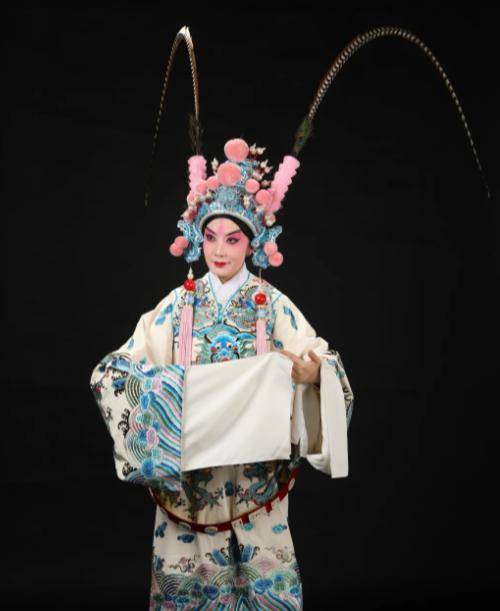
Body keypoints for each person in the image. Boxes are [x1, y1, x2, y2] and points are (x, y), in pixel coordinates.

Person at [89, 136, 354, 609]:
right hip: (191, 476)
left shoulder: (272, 305)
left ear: (253, 243)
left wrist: (312, 374)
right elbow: (120, 369)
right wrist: (162, 393)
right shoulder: (179, 304)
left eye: (233, 240)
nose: (220, 251)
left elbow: (323, 362)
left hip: (256, 479)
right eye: (211, 237)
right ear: (198, 237)